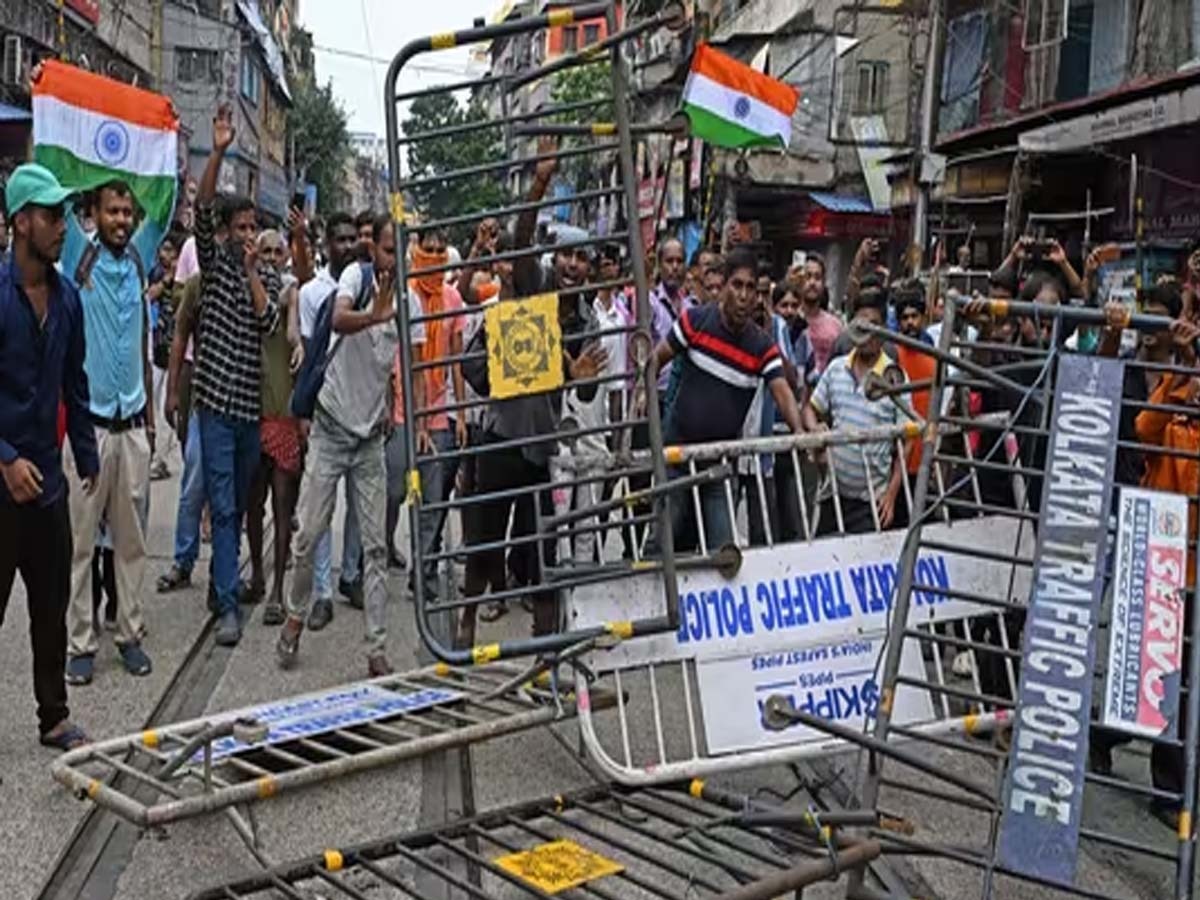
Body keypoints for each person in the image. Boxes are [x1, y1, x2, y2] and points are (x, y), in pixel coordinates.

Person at [458, 142, 607, 648]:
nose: (571, 265)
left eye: (580, 258)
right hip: (501, 435)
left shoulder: (588, 319)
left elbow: (585, 389)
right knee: (484, 541)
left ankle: (546, 649)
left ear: (589, 267)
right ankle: (465, 627)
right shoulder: (531, 285)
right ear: (553, 259)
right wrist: (540, 183)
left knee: (544, 551)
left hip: (544, 448)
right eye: (565, 254)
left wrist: (579, 371)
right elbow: (521, 237)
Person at [277, 216, 425, 674]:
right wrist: (373, 316)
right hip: (330, 428)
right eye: (384, 249)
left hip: (369, 441)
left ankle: (376, 648)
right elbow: (340, 318)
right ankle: (295, 616)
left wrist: (410, 421)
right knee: (307, 535)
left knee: (376, 547)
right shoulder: (354, 278)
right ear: (372, 250)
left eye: (398, 250)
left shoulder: (411, 302)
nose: (390, 259)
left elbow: (413, 365)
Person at [0, 163, 98, 749]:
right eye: (52, 215)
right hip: (2, 480)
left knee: (50, 606)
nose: (63, 225)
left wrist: (85, 453)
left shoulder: (67, 299)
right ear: (20, 222)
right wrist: (5, 458)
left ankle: (53, 716)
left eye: (64, 214)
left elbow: (74, 382)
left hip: (48, 485)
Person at [60, 173, 166, 685]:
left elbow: (164, 204)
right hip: (90, 432)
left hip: (132, 431)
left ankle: (128, 634)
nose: (122, 220)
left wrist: (211, 150)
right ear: (95, 215)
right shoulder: (79, 257)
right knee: (80, 544)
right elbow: (55, 184)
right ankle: (80, 643)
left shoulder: (142, 255)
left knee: (131, 543)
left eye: (127, 212)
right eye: (112, 211)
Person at [192, 105, 281, 646]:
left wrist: (255, 272)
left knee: (244, 501)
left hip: (252, 413)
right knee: (223, 504)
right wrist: (219, 149)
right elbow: (201, 207)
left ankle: (221, 577)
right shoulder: (213, 258)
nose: (249, 235)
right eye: (241, 227)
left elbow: (269, 321)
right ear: (226, 233)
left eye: (254, 228)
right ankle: (227, 604)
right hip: (216, 409)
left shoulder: (261, 273)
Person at [653, 248, 804, 550]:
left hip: (719, 466)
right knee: (665, 547)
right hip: (677, 457)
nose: (745, 295)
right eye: (737, 285)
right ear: (723, 287)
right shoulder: (695, 322)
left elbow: (782, 391)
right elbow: (656, 359)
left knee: (723, 553)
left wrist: (800, 431)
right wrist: (646, 402)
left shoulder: (761, 345)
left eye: (751, 288)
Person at [297, 212, 368, 626]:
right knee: (319, 512)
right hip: (325, 414)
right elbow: (309, 355)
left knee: (361, 507)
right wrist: (304, 412)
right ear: (327, 244)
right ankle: (321, 592)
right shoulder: (312, 292)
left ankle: (352, 574)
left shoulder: (374, 285)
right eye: (340, 239)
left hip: (364, 416)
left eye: (354, 238)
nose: (348, 245)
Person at [804, 288, 905, 536]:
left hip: (871, 503)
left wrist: (891, 495)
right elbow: (809, 408)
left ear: (884, 331)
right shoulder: (836, 368)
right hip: (833, 495)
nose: (868, 332)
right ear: (851, 327)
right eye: (861, 324)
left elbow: (908, 441)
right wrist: (815, 429)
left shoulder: (895, 379)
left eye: (875, 325)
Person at [402, 226, 467, 597]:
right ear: (417, 252)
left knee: (434, 500)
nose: (435, 256)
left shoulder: (453, 299)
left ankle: (423, 571)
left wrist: (459, 412)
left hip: (442, 413)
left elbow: (456, 360)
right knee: (398, 491)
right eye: (429, 249)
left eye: (441, 250)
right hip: (404, 412)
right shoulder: (406, 297)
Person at [246, 229, 305, 623]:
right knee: (253, 507)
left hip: (283, 413)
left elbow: (291, 330)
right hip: (252, 412)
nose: (270, 257)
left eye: (276, 251)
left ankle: (279, 592)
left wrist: (293, 311)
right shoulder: (247, 293)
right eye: (263, 251)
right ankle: (256, 575)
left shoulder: (290, 291)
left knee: (283, 509)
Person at [159, 272, 205, 593]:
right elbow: (180, 334)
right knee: (192, 484)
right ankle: (184, 559)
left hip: (246, 402)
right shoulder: (197, 284)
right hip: (204, 400)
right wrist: (173, 390)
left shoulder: (254, 278)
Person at [148, 230, 183, 480]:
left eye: (171, 250)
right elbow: (149, 295)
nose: (166, 255)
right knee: (154, 404)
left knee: (167, 410)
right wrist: (167, 280)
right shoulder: (158, 274)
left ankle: (159, 459)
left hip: (176, 353)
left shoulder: (185, 279)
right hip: (157, 349)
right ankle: (155, 457)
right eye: (164, 249)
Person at [788, 254, 842, 375]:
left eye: (817, 278)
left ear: (824, 283)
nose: (812, 283)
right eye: (808, 277)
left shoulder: (836, 326)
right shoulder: (789, 318)